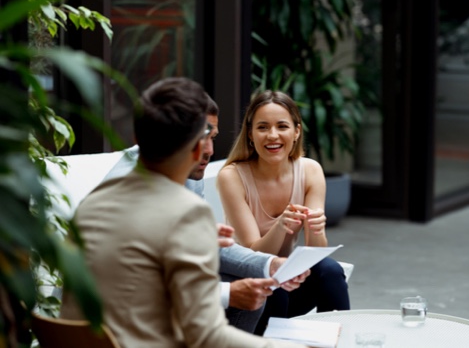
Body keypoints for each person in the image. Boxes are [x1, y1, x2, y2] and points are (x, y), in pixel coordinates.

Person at [60, 77, 307, 347]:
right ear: (199, 145)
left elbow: (132, 274)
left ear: (137, 138)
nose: (212, 149)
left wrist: (264, 264)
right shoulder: (184, 210)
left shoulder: (95, 201)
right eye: (208, 137)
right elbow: (206, 334)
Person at [217, 90, 351, 335]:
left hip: (289, 283)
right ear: (250, 134)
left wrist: (315, 228)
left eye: (282, 126)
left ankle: (339, 339)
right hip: (248, 286)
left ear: (296, 131)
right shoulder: (232, 177)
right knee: (274, 289)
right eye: (262, 127)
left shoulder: (310, 170)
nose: (273, 135)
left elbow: (316, 254)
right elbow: (254, 255)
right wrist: (281, 226)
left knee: (331, 271)